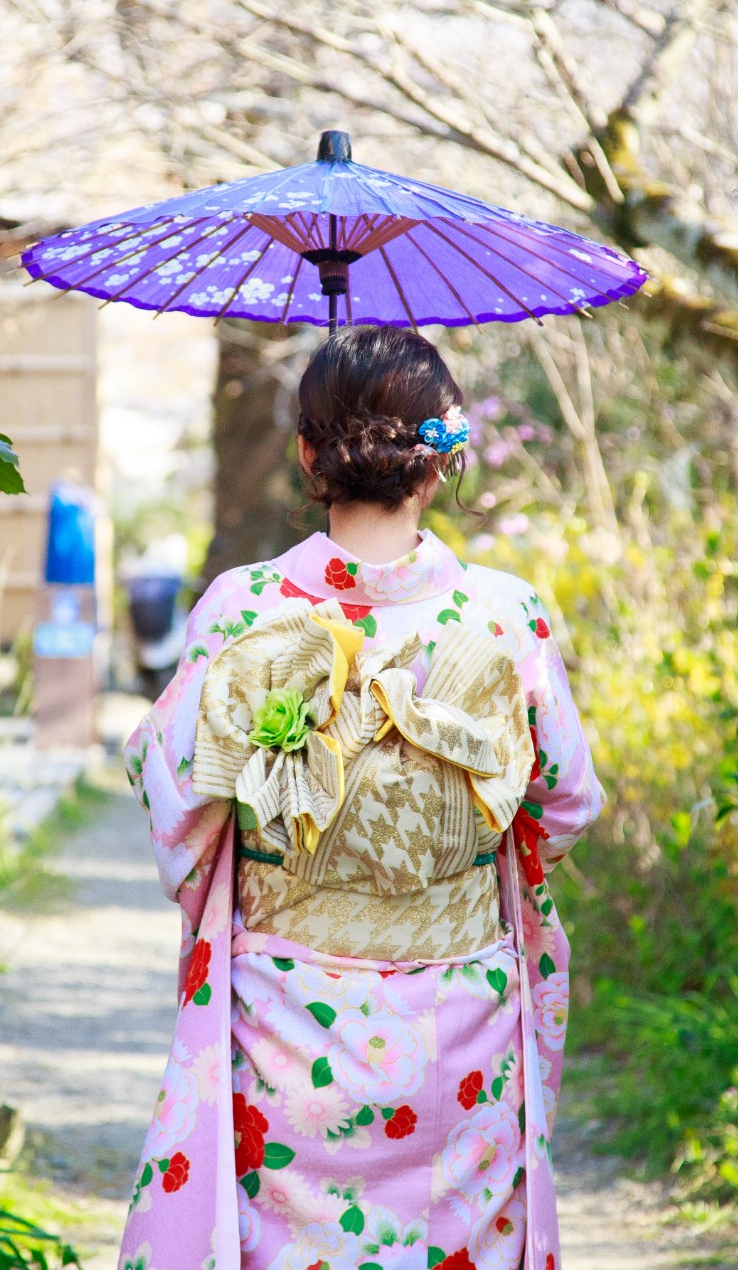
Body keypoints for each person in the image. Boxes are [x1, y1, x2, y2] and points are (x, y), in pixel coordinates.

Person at [120, 325, 603, 1270]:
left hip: (288, 1022)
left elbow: (177, 796)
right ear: (441, 460)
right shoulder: (507, 614)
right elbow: (568, 798)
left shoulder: (245, 607)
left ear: (310, 455)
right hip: (461, 1020)